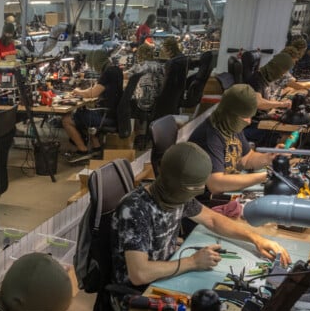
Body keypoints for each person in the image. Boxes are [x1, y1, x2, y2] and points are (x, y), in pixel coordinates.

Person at [110, 143, 291, 289]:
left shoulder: (176, 195)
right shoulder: (134, 209)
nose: (196, 194)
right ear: (178, 185)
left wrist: (255, 238)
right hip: (140, 291)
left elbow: (212, 219)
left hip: (168, 269)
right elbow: (139, 274)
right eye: (192, 190)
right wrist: (193, 262)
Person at [187, 84, 277, 198]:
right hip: (208, 200)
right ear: (231, 114)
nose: (249, 122)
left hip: (226, 190)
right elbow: (216, 185)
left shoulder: (229, 125)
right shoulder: (210, 137)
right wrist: (266, 176)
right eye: (245, 117)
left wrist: (271, 158)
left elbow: (246, 159)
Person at [62, 50, 122, 163]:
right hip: (112, 113)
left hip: (106, 115)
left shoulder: (108, 72)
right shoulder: (115, 69)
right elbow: (98, 89)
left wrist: (77, 91)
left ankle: (82, 150)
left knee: (67, 119)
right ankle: (96, 147)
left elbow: (92, 94)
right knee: (82, 112)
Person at [243, 50, 296, 145]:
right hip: (253, 125)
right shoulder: (256, 79)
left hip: (261, 121)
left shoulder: (267, 79)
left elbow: (270, 99)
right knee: (286, 137)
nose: (283, 75)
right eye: (283, 71)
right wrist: (282, 104)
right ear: (277, 67)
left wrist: (282, 104)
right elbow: (259, 103)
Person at [126, 43, 164, 115]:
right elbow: (162, 84)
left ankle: (133, 124)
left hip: (139, 103)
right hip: (157, 103)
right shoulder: (159, 66)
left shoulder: (137, 67)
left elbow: (126, 76)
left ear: (139, 55)